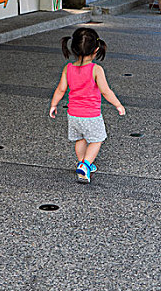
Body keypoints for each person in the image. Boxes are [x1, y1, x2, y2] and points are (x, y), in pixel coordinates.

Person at [49, 28, 125, 183]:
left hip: (73, 114)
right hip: (91, 115)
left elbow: (61, 89)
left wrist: (53, 104)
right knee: (97, 140)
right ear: (96, 49)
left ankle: (82, 163)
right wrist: (118, 105)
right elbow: (105, 91)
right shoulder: (96, 69)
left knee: (80, 139)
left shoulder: (68, 68)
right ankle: (85, 165)